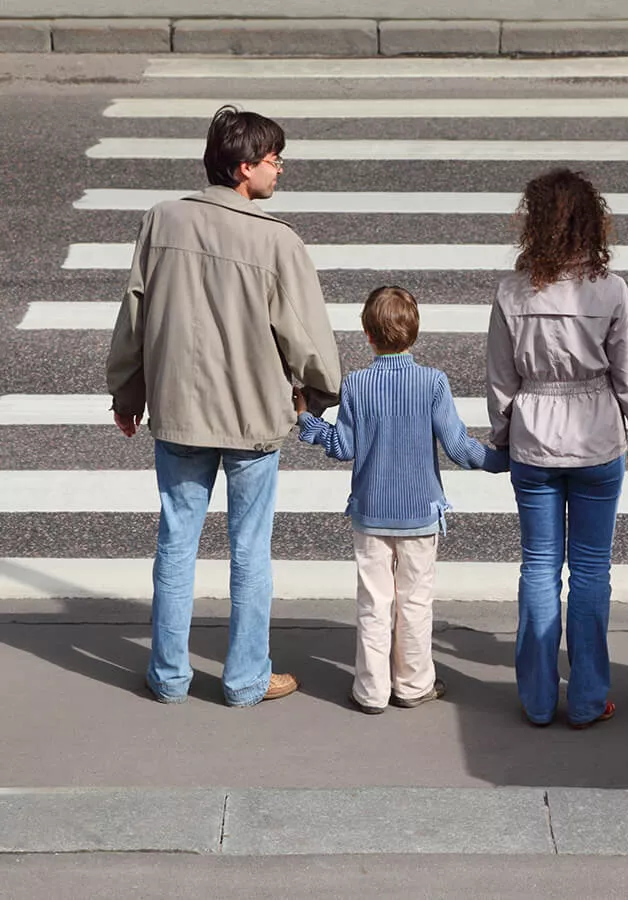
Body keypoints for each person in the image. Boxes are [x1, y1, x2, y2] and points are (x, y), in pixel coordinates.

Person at [106, 105, 342, 707]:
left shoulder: (162, 221)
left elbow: (134, 315)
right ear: (244, 170)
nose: (280, 169)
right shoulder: (275, 240)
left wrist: (127, 392)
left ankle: (168, 676)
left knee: (176, 543)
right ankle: (244, 680)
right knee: (250, 550)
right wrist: (317, 394)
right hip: (253, 419)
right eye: (272, 160)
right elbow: (306, 339)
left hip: (180, 412)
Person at [485, 168, 628, 729]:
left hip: (534, 439)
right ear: (591, 223)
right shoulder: (610, 290)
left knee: (538, 568)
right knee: (589, 570)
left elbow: (500, 380)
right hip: (597, 440)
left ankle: (537, 699)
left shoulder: (512, 291)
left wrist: (503, 436)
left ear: (533, 225)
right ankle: (587, 697)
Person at [296, 285, 509, 714]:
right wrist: (508, 462)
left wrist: (307, 420)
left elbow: (343, 446)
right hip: (419, 515)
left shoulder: (356, 384)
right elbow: (458, 446)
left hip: (370, 514)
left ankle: (370, 690)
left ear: (368, 335)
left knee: (374, 603)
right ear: (414, 333)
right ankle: (412, 685)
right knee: (414, 602)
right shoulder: (432, 382)